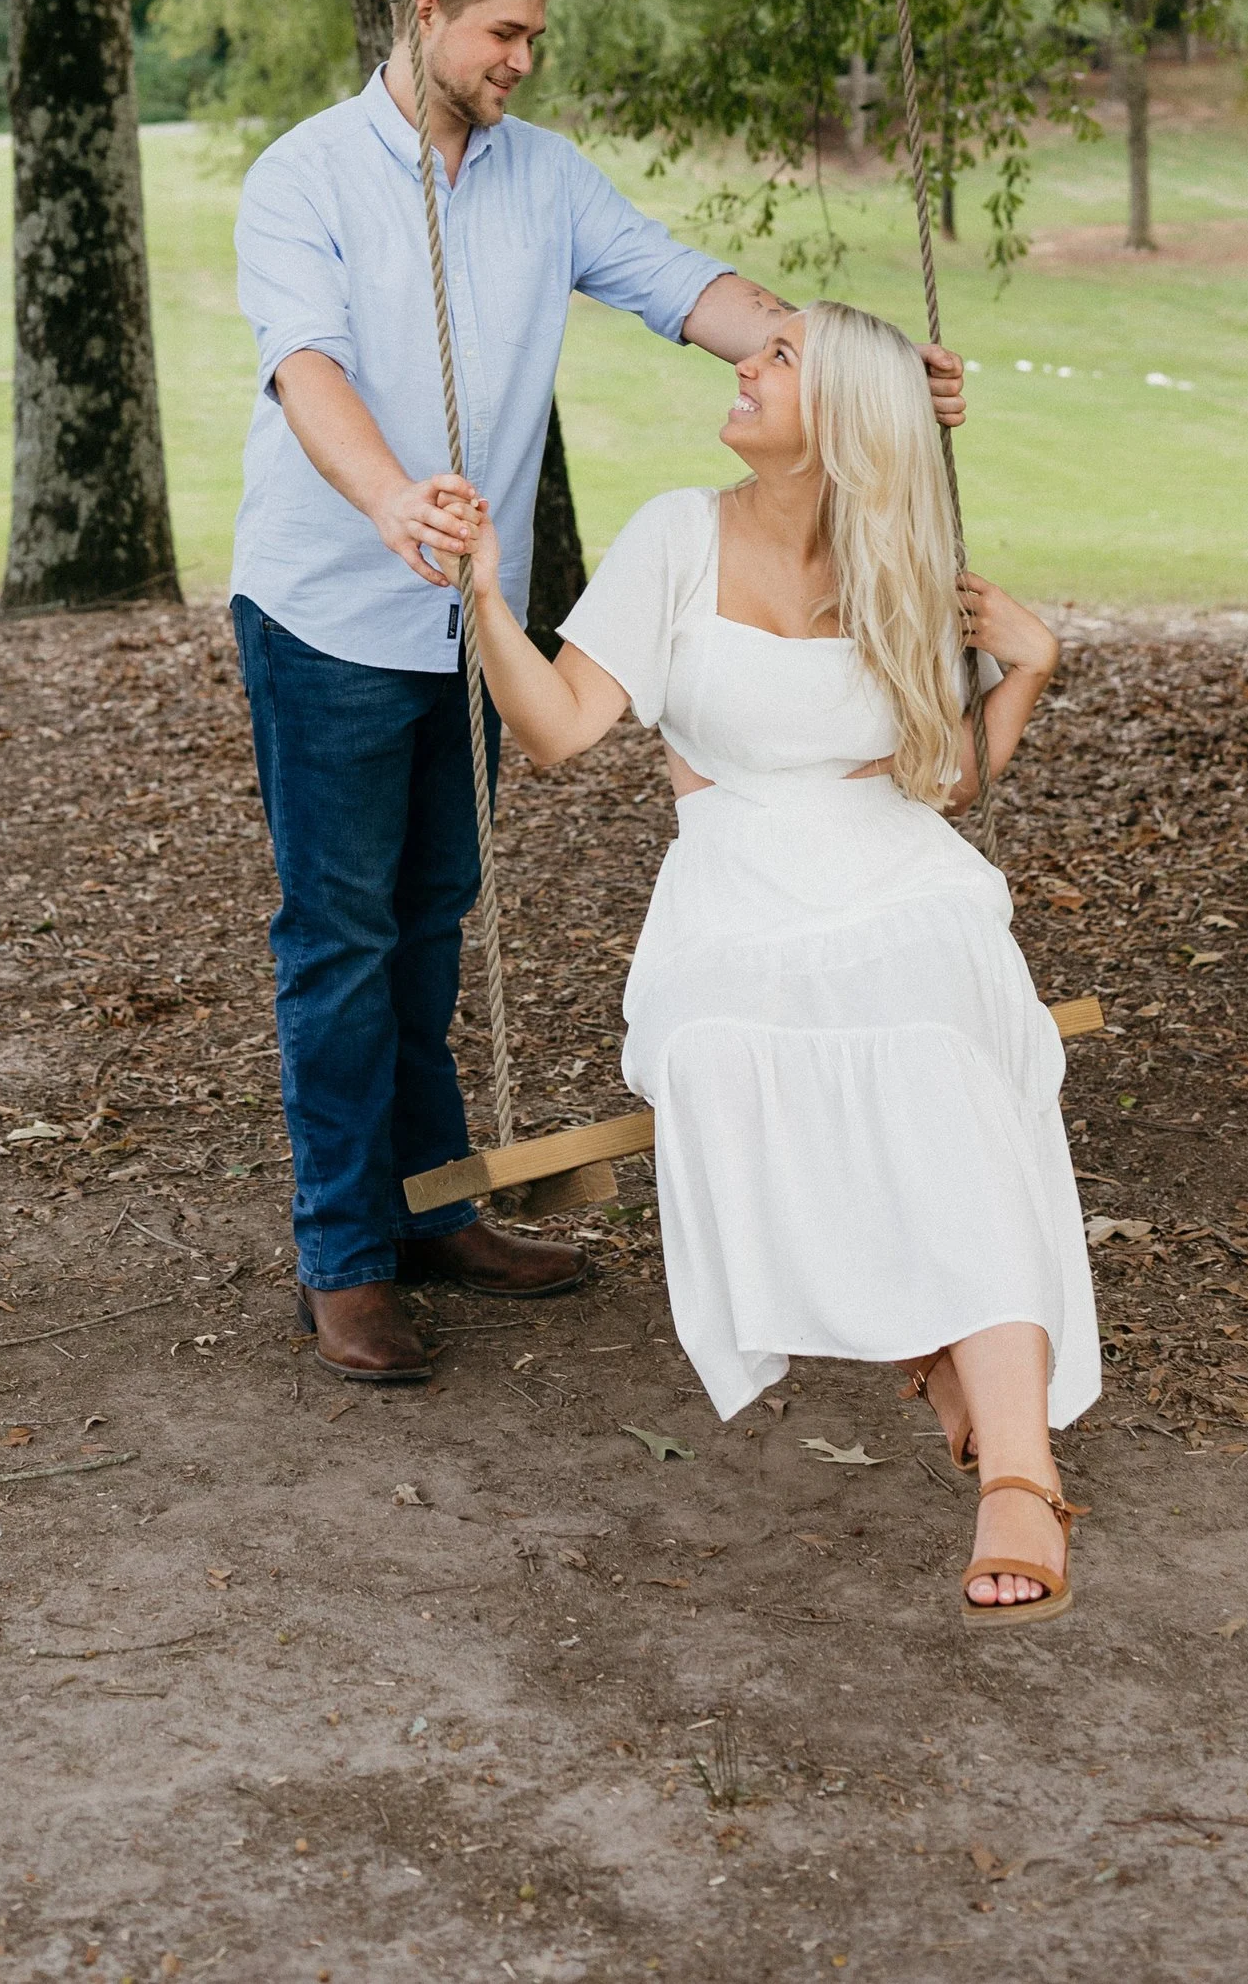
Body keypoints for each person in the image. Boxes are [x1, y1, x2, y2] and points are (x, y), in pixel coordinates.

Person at [231, 0, 962, 1387]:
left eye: (534, 38)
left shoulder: (543, 179)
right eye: (504, 32)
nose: (521, 59)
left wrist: (855, 360)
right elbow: (305, 369)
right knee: (341, 935)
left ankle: (434, 1201)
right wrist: (390, 500)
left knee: (433, 911)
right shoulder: (302, 178)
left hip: (465, 626)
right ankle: (346, 1255)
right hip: (330, 613)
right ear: (425, 10)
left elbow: (689, 286)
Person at [459, 297, 1098, 1622]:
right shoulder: (674, 539)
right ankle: (935, 1347)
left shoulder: (902, 555)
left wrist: (1023, 670)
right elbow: (563, 728)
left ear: (844, 419)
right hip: (737, 874)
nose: (744, 363)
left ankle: (1020, 1473)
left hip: (897, 868)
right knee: (725, 1053)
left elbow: (939, 773)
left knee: (944, 1053)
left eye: (780, 356)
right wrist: (480, 599)